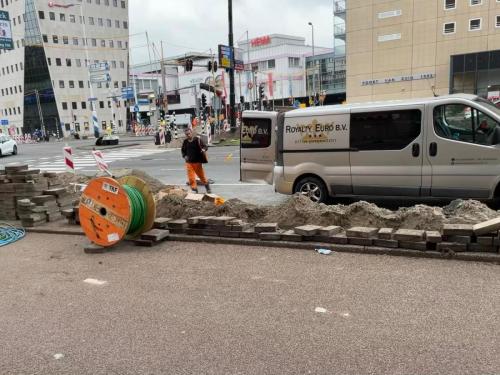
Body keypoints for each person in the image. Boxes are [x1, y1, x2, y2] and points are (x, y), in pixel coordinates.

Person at [181, 127, 211, 194]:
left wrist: (203, 150)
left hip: (197, 162)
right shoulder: (185, 142)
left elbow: (205, 146)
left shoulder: (197, 140)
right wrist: (184, 156)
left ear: (191, 133)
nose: (188, 135)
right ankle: (194, 189)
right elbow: (183, 151)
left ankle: (207, 186)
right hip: (189, 163)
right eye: (186, 134)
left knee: (202, 176)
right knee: (191, 177)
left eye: (189, 133)